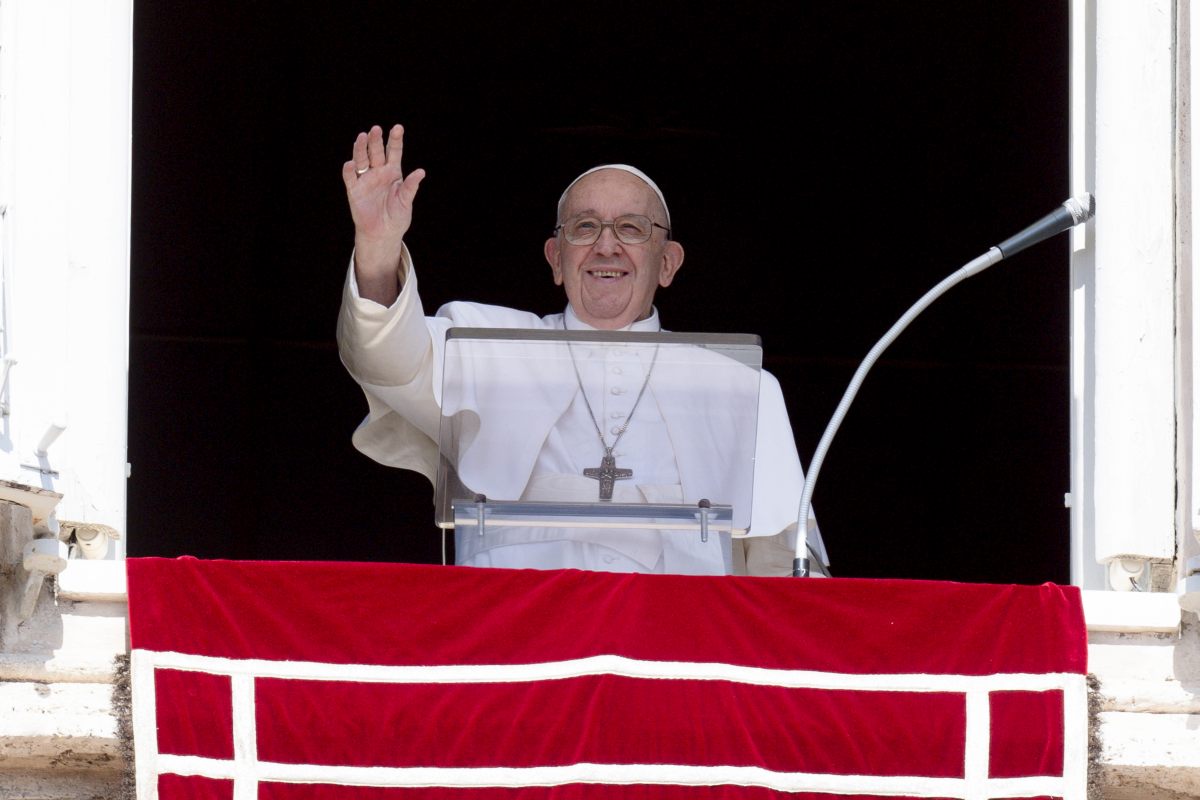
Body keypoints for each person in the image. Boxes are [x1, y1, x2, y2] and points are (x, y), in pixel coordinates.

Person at [337, 123, 830, 577]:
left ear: (668, 264)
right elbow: (386, 361)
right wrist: (378, 247)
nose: (607, 246)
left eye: (632, 229)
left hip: (673, 645)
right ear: (556, 259)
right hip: (515, 640)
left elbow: (782, 563)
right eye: (585, 227)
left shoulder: (740, 388)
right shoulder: (483, 342)